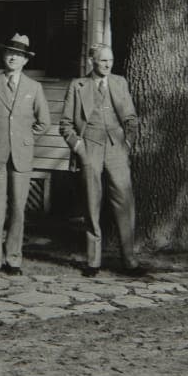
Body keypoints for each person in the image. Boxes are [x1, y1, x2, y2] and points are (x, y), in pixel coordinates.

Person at [59, 44, 144, 277]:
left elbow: (131, 118)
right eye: (103, 60)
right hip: (90, 147)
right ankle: (93, 261)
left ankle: (129, 260)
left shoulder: (120, 82)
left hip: (117, 147)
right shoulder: (78, 85)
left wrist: (128, 143)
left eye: (110, 60)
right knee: (91, 201)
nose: (108, 64)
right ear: (91, 61)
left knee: (124, 201)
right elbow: (65, 124)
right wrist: (79, 147)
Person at [0, 34, 51, 275]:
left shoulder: (34, 87)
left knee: (17, 209)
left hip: (21, 157)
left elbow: (44, 122)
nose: (13, 57)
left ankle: (14, 258)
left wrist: (25, 139)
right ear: (4, 56)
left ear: (25, 60)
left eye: (19, 55)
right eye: (10, 53)